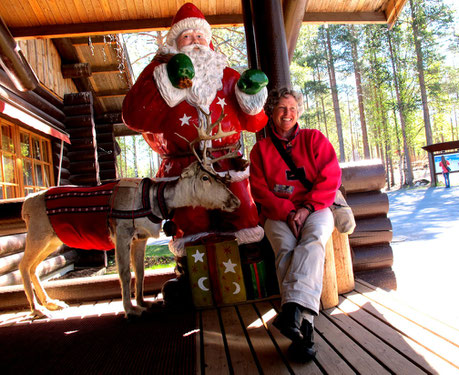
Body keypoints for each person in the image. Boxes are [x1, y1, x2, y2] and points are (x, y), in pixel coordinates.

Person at [122, 3, 269, 256]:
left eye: (200, 36)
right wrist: (168, 81)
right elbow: (133, 116)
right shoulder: (157, 74)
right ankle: (195, 280)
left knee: (242, 216)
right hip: (184, 170)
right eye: (187, 37)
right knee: (192, 226)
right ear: (176, 44)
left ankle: (248, 272)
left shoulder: (227, 76)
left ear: (208, 41)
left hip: (227, 165)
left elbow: (255, 123)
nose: (195, 42)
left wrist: (251, 97)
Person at [249, 88, 342, 361]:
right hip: (278, 213)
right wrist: (289, 212)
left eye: (291, 108)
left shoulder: (315, 139)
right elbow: (260, 191)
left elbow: (330, 177)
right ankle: (306, 329)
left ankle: (292, 312)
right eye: (281, 109)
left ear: (298, 112)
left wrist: (305, 209)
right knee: (286, 248)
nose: (287, 114)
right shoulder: (261, 150)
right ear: (271, 113)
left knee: (313, 240)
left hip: (315, 207)